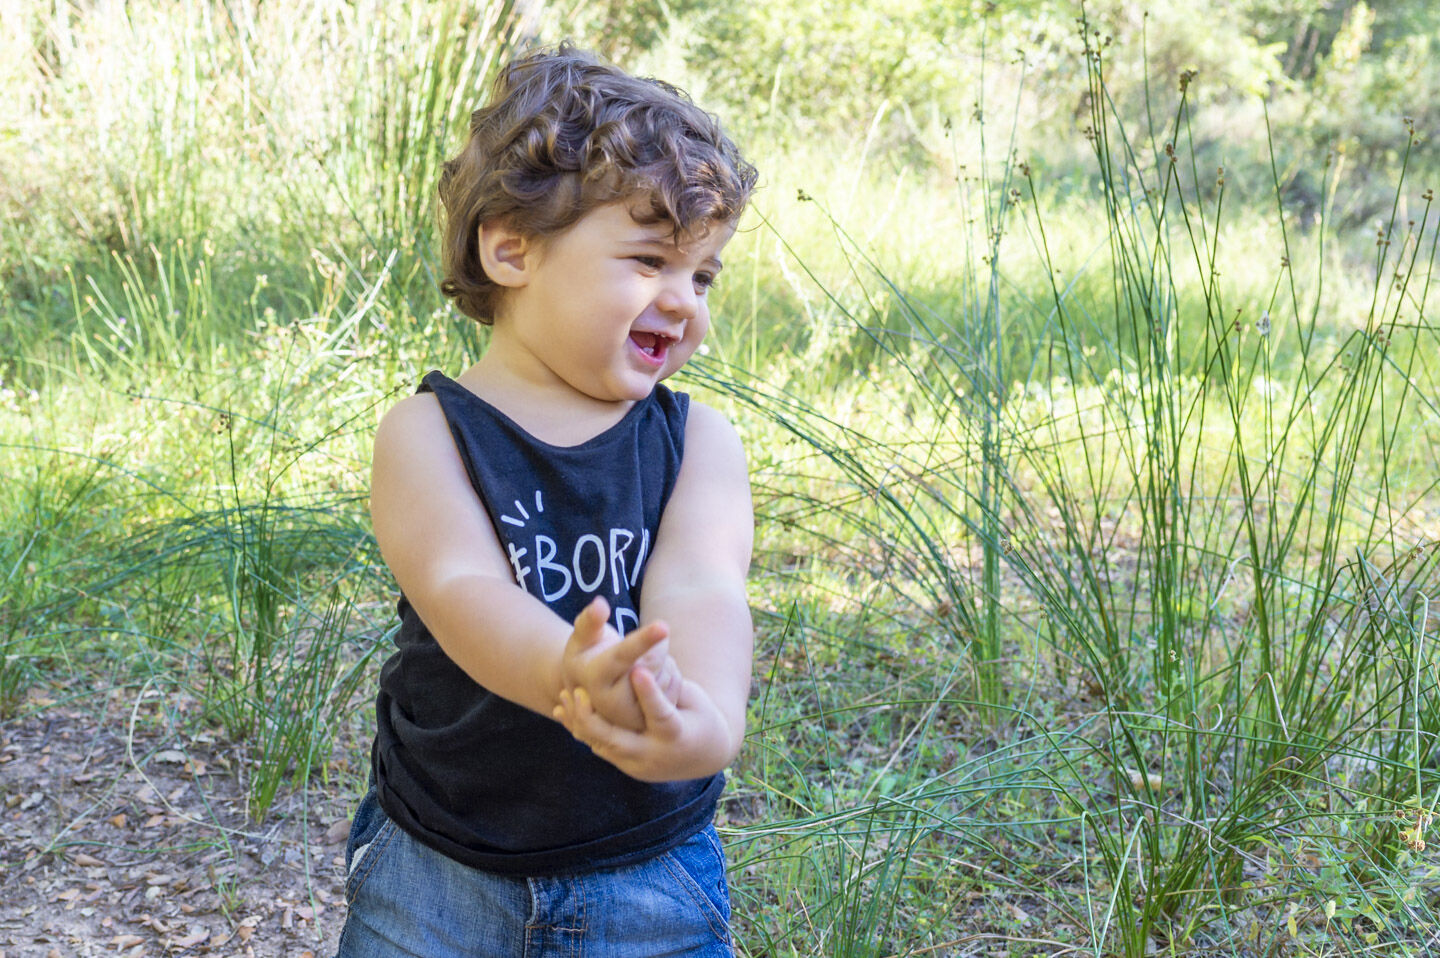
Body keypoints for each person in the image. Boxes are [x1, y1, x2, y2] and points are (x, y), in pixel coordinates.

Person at [335, 43, 758, 957]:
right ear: (512, 248)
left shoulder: (699, 446)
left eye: (703, 274)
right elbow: (462, 590)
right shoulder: (428, 432)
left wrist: (708, 722)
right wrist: (570, 677)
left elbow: (705, 590)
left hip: (653, 876)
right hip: (438, 875)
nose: (684, 301)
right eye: (649, 259)